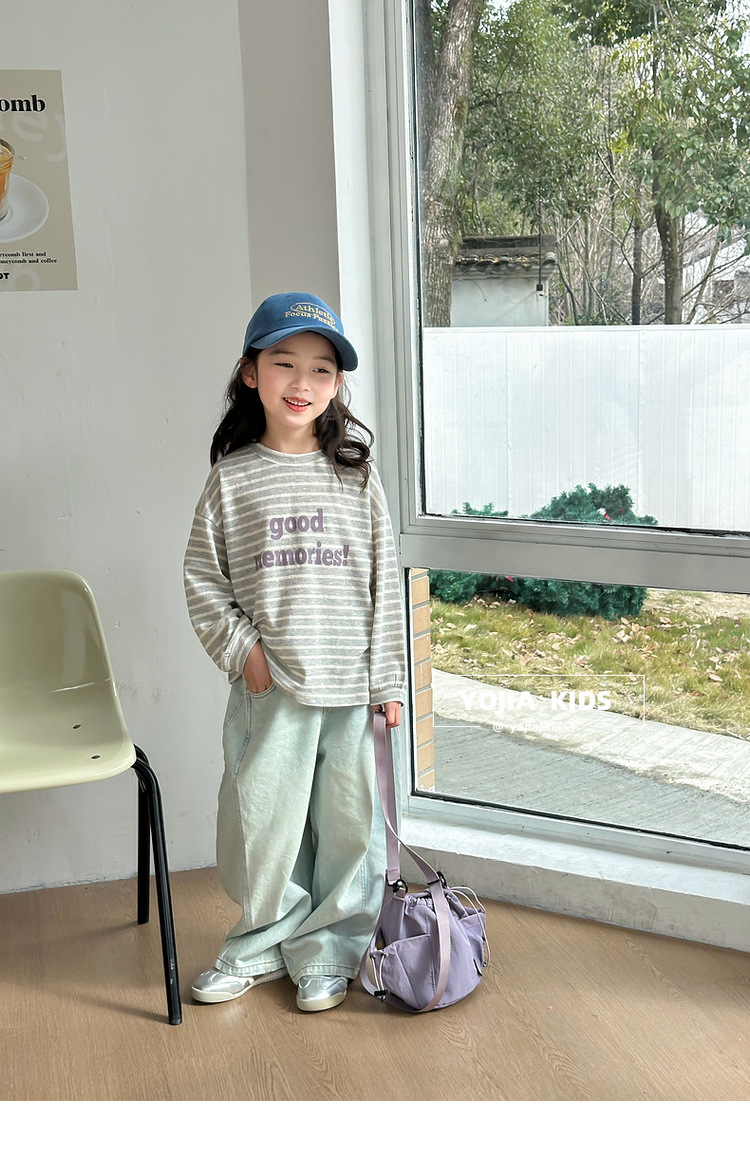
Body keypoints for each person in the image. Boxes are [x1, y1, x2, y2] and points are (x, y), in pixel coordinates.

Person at [183, 291, 407, 1012]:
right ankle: (258, 944)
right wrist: (245, 653)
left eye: (321, 369)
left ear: (337, 384)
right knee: (261, 826)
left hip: (350, 686)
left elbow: (385, 582)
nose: (302, 382)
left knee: (348, 829)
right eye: (284, 363)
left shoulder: (356, 474)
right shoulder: (232, 478)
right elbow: (204, 580)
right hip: (270, 688)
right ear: (251, 372)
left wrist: (388, 679)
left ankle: (329, 953)